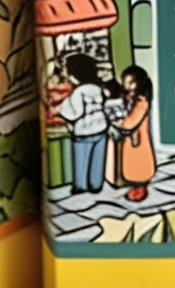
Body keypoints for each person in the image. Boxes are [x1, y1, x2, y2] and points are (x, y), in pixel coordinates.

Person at [50, 52, 109, 194]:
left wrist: (62, 109)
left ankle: (81, 185)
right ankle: (96, 184)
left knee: (81, 158)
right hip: (101, 128)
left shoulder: (78, 92)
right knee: (97, 158)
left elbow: (75, 113)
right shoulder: (97, 89)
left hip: (84, 131)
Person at [114, 65, 156, 202]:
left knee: (137, 162)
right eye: (125, 81)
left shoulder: (141, 101)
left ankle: (139, 180)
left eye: (130, 82)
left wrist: (122, 123)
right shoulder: (128, 98)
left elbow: (131, 122)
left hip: (138, 137)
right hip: (130, 137)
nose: (126, 85)